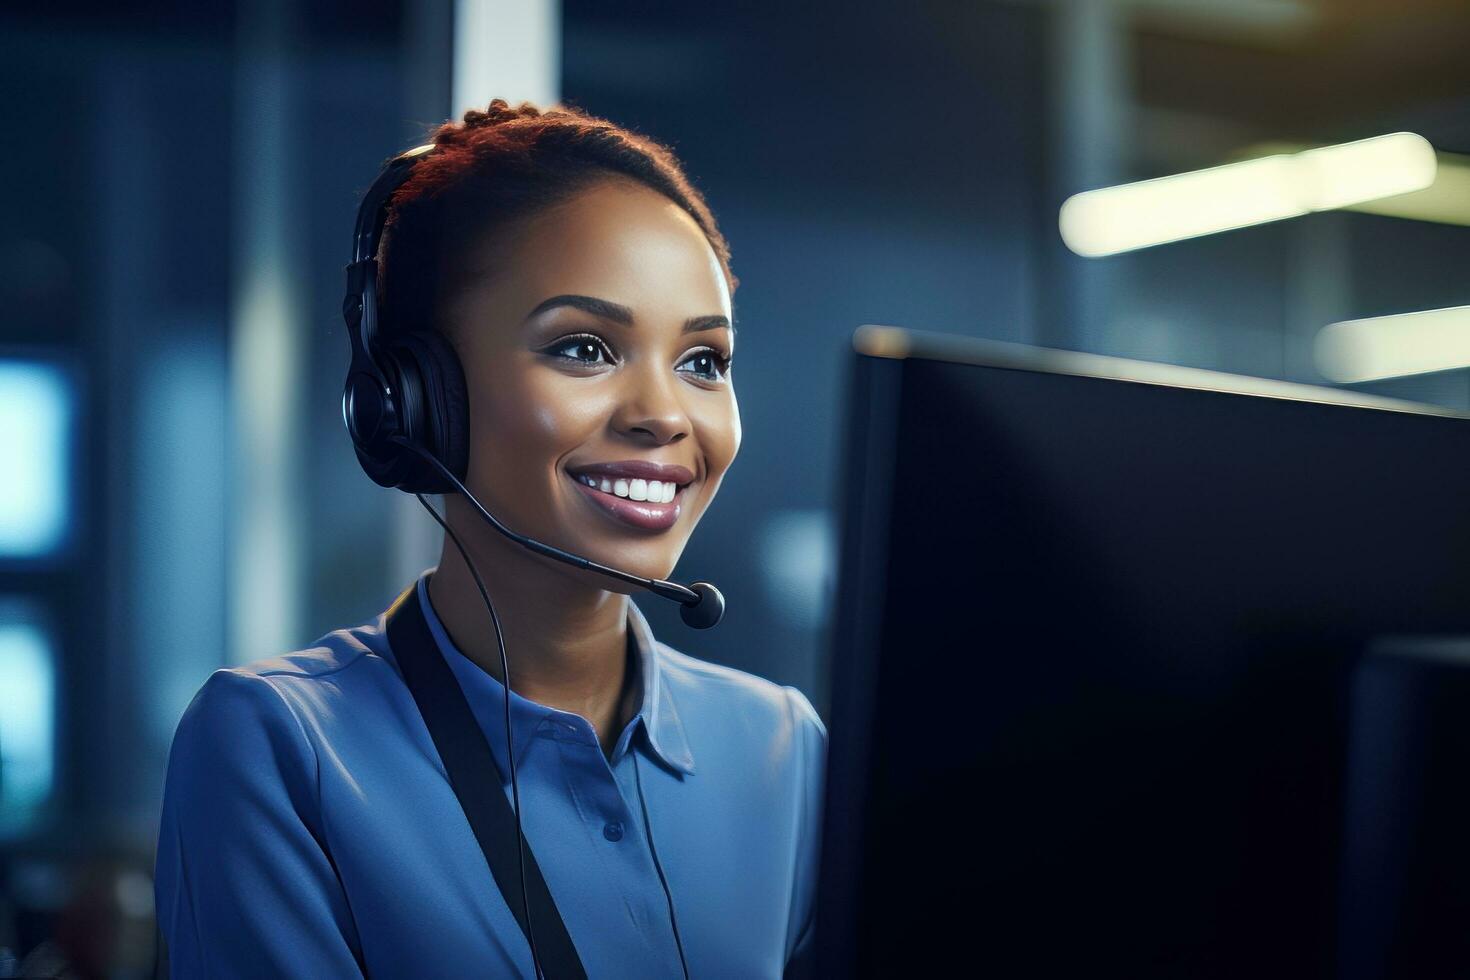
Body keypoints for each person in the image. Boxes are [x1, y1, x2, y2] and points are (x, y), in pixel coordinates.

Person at [152, 98, 827, 978]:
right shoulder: (278, 748)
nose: (664, 416)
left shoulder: (785, 749)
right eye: (584, 348)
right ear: (417, 399)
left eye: (704, 362)